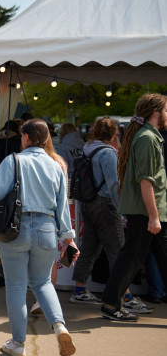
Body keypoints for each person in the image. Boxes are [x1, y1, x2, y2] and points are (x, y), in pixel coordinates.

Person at [0, 119, 76, 356]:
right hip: (47, 229)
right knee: (43, 282)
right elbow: (62, 207)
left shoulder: (13, 160)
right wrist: (68, 239)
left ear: (25, 137)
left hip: (16, 229)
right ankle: (59, 326)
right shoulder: (55, 165)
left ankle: (18, 343)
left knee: (16, 288)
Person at [99, 94, 167, 322]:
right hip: (147, 213)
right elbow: (146, 181)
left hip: (147, 212)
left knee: (137, 257)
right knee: (131, 258)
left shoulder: (148, 136)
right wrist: (154, 217)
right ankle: (110, 303)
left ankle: (110, 303)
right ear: (156, 113)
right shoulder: (147, 139)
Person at [71, 117, 122, 304]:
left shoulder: (87, 149)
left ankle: (79, 289)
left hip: (88, 203)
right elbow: (113, 183)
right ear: (114, 134)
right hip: (104, 203)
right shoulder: (108, 153)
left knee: (89, 248)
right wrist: (120, 209)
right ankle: (123, 295)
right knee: (117, 250)